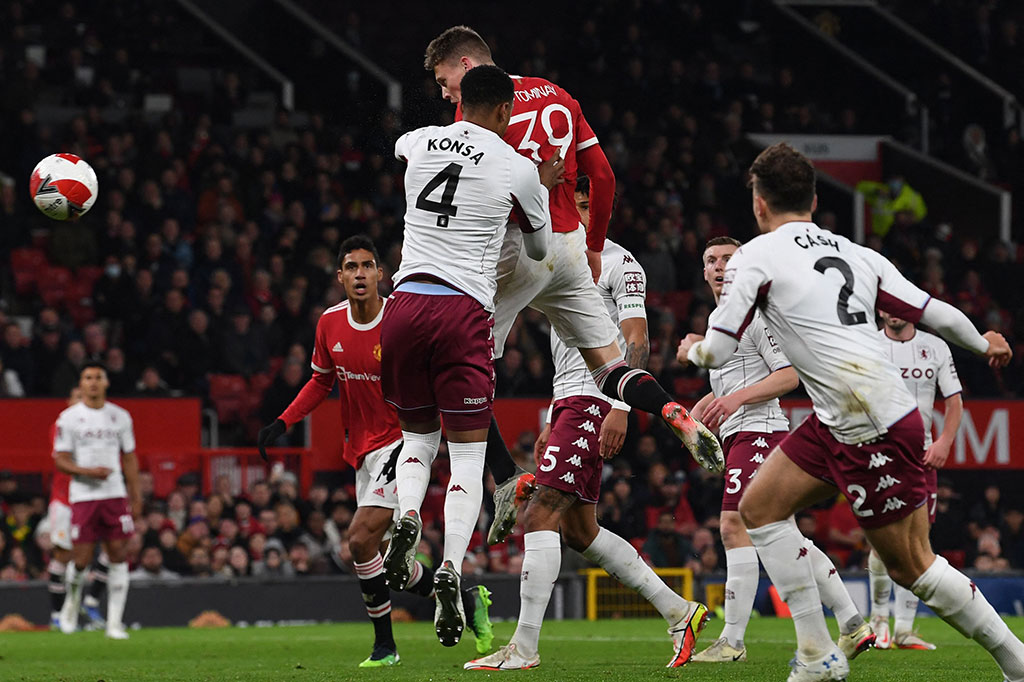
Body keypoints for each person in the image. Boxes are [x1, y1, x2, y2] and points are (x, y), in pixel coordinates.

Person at [679, 143, 1022, 682]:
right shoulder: (860, 254)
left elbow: (718, 351)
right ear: (814, 199)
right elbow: (933, 311)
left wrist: (694, 349)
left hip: (873, 424)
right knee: (759, 509)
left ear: (759, 205)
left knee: (915, 568)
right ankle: (818, 654)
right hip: (839, 416)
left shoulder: (757, 257)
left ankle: (1017, 662)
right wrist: (983, 343)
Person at [423, 27, 723, 544]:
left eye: (446, 81)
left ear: (468, 67)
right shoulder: (559, 94)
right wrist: (593, 243)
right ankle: (673, 410)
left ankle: (503, 479)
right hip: (568, 247)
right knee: (609, 366)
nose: (445, 93)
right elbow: (602, 177)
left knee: (455, 368)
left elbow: (482, 195)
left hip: (516, 250)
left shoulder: (476, 115)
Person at [465, 178, 709, 671]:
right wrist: (554, 414)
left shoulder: (621, 263)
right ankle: (680, 611)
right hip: (568, 401)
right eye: (568, 201)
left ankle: (524, 648)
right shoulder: (553, 257)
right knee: (580, 530)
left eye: (584, 203)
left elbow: (637, 342)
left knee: (539, 514)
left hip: (597, 399)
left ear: (601, 211)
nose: (575, 210)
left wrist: (621, 407)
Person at [255, 235, 494, 666]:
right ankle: (463, 597)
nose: (360, 274)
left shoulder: (400, 320)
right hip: (362, 451)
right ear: (340, 277)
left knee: (359, 538)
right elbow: (320, 381)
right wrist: (283, 422)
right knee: (377, 558)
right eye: (352, 267)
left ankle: (385, 647)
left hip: (404, 442)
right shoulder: (329, 323)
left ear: (381, 273)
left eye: (367, 266)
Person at [380, 64, 554, 649]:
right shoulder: (517, 166)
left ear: (460, 102)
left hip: (403, 303)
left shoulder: (418, 141)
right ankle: (451, 564)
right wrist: (536, 191)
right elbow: (537, 248)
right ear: (506, 111)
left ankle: (407, 517)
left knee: (417, 441)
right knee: (467, 458)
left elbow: (403, 148)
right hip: (463, 314)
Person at [682, 237, 874, 664]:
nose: (717, 266)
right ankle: (851, 622)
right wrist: (705, 408)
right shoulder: (723, 317)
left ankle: (732, 640)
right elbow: (733, 382)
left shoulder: (753, 313)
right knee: (785, 534)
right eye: (710, 260)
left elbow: (789, 376)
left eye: (727, 259)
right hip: (741, 432)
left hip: (760, 430)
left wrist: (734, 401)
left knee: (734, 525)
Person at [869, 310, 964, 651]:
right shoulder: (868, 343)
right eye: (886, 305)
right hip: (878, 452)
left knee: (918, 543)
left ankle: (904, 630)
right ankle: (878, 619)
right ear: (879, 310)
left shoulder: (935, 347)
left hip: (921, 455)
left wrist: (944, 442)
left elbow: (954, 400)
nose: (892, 311)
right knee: (882, 539)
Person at [54, 362, 141, 640]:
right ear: (81, 384)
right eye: (87, 378)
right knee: (81, 559)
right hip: (83, 496)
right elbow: (60, 460)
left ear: (106, 383)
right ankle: (71, 605)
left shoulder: (120, 417)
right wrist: (88, 472)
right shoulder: (67, 418)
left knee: (118, 554)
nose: (92, 382)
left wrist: (135, 495)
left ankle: (115, 624)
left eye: (97, 377)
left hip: (114, 495)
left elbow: (129, 457)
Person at [46, 387, 80, 628]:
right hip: (64, 501)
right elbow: (63, 459)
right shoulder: (59, 427)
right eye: (77, 397)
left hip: (84, 500)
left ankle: (71, 612)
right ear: (69, 401)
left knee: (81, 557)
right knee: (62, 554)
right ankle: (58, 614)